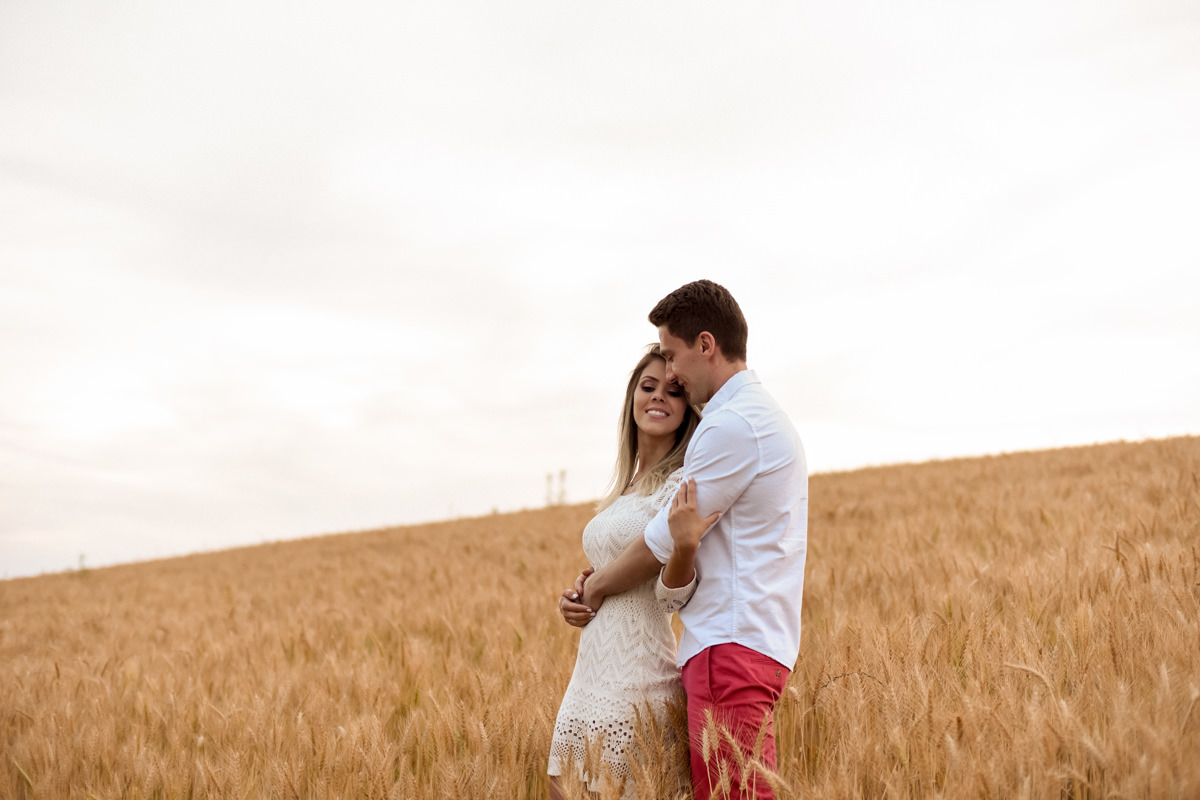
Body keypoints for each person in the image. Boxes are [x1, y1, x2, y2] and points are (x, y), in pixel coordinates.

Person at [567, 279, 808, 800]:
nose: (671, 372)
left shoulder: (733, 425)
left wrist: (596, 587)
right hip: (738, 645)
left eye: (673, 355)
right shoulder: (752, 417)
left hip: (729, 646)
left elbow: (660, 542)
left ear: (706, 344)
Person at [548, 344, 706, 800]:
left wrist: (599, 584)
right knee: (560, 788)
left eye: (673, 391)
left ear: (687, 410)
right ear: (632, 399)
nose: (658, 397)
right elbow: (610, 569)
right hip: (589, 675)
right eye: (647, 386)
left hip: (637, 677)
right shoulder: (624, 490)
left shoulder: (681, 482)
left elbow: (670, 583)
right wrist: (578, 596)